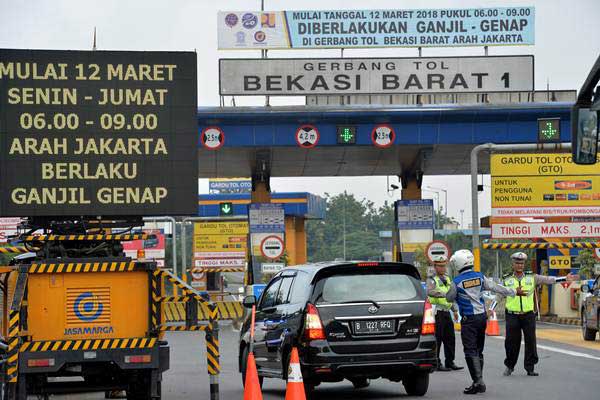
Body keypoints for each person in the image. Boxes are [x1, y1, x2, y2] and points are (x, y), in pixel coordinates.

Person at [429, 249, 526, 395]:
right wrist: (514, 291)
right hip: (482, 318)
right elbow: (496, 288)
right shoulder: (480, 277)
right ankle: (479, 380)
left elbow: (449, 298)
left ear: (459, 264)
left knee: (470, 350)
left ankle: (478, 382)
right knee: (479, 350)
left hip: (469, 320)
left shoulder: (457, 281)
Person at [499, 252, 578, 377]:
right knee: (511, 342)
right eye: (517, 263)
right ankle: (509, 366)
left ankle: (530, 367)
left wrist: (564, 279)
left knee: (531, 341)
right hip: (512, 315)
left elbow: (549, 280)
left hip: (528, 315)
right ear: (513, 264)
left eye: (522, 263)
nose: (520, 265)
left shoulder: (532, 277)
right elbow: (499, 295)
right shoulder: (506, 279)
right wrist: (491, 309)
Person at [426, 254, 463, 371]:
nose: (442, 268)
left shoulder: (448, 279)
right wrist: (444, 294)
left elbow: (451, 295)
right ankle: (436, 362)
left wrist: (455, 310)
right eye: (440, 266)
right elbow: (431, 292)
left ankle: (450, 361)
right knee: (438, 338)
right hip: (437, 312)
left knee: (450, 338)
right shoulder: (431, 279)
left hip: (447, 312)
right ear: (435, 266)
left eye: (444, 266)